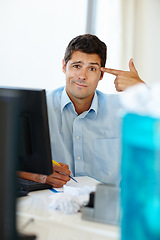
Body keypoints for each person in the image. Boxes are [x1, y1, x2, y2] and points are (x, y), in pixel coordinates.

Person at [18, 34, 144, 187]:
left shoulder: (121, 109)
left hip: (106, 205)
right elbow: (7, 159)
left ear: (101, 74)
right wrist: (38, 175)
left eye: (92, 68)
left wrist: (142, 90)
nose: (82, 76)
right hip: (53, 205)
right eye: (77, 66)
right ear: (64, 67)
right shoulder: (38, 107)